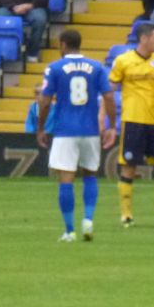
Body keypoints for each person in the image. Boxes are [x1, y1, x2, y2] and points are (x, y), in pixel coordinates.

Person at [36, 29, 116, 242]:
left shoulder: (54, 68)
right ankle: (88, 219)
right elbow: (109, 97)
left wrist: (41, 127)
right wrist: (112, 126)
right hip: (90, 130)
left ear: (63, 45)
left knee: (66, 179)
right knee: (90, 174)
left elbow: (44, 101)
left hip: (65, 131)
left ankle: (70, 230)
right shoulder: (97, 67)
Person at [109, 22, 154, 227]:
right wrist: (104, 114)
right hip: (133, 122)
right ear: (144, 39)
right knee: (129, 168)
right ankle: (126, 214)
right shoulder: (123, 61)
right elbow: (109, 89)